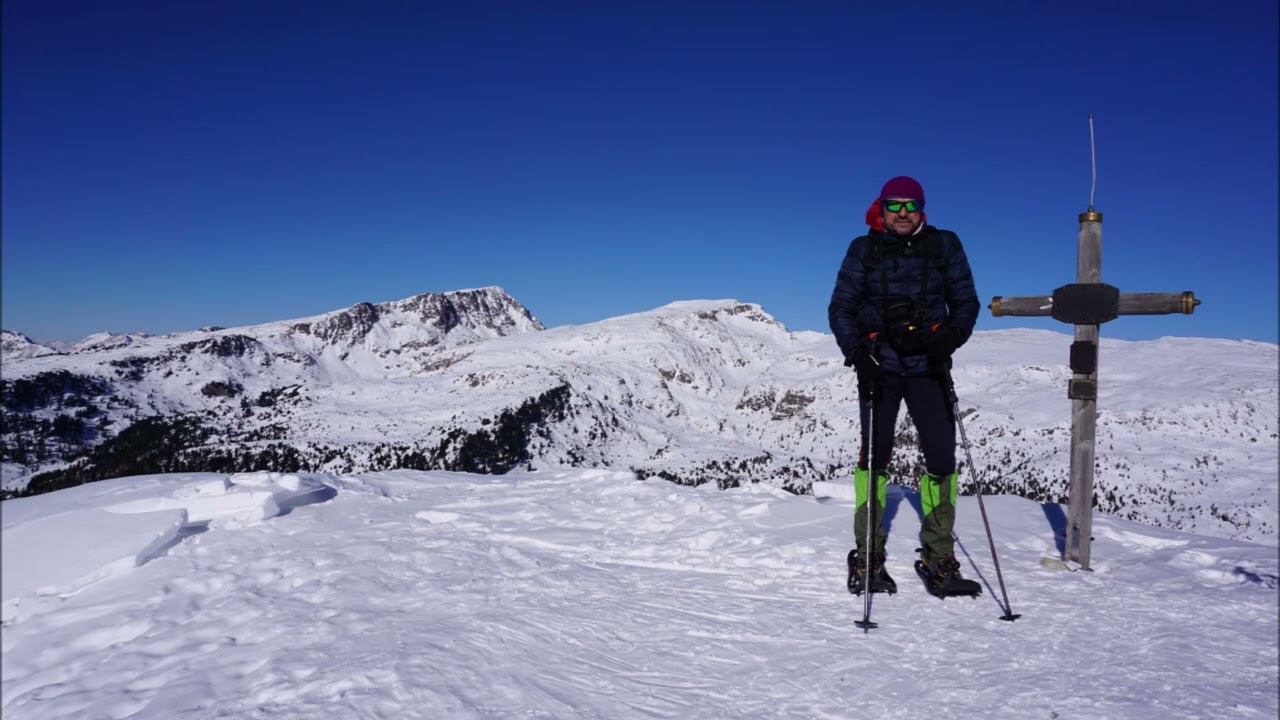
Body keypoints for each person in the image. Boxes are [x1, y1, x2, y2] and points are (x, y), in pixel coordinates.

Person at [828, 176, 982, 597]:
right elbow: (842, 306)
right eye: (893, 206)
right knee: (875, 459)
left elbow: (966, 302)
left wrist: (949, 337)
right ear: (881, 208)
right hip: (879, 368)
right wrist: (859, 354)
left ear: (922, 209)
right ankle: (868, 555)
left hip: (929, 367)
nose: (901, 213)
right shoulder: (865, 248)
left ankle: (938, 556)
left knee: (941, 459)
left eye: (910, 205)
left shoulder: (944, 244)